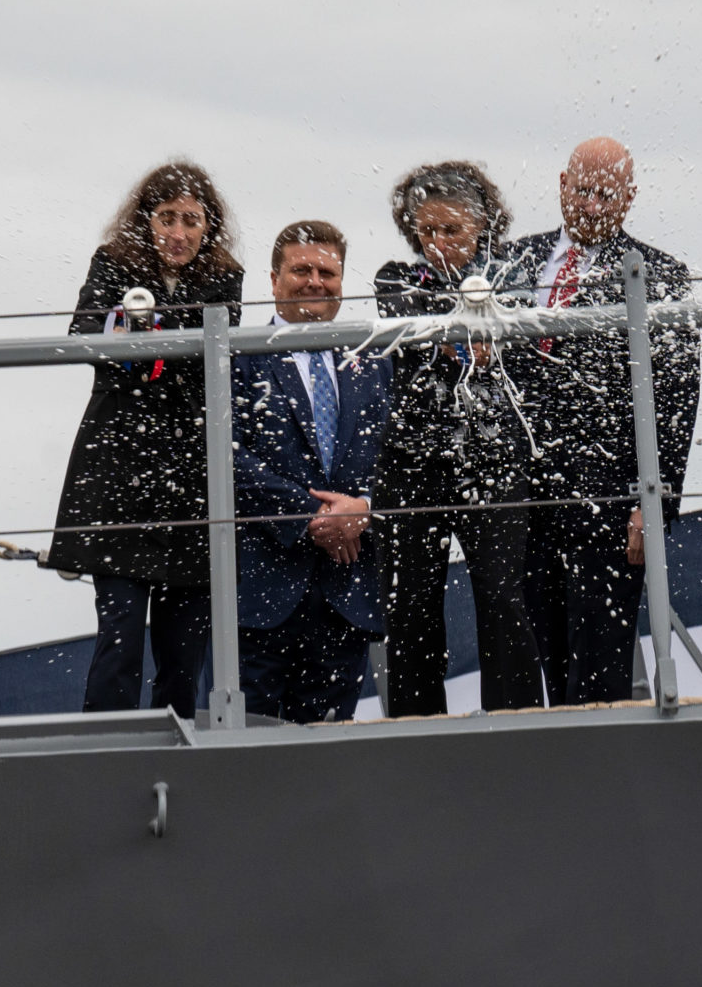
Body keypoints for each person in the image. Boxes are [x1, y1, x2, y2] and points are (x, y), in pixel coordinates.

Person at [495, 138, 698, 706]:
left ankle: (597, 781)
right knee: (538, 656)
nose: (591, 206)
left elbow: (677, 400)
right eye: (582, 191)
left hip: (611, 501)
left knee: (602, 667)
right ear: (562, 184)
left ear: (629, 197)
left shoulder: (661, 274)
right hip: (523, 500)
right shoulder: (506, 262)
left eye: (606, 194)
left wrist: (654, 501)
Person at [42, 162, 246, 717]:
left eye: (191, 220)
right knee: (120, 640)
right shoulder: (112, 262)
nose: (178, 233)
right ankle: (105, 758)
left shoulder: (225, 274)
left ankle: (178, 766)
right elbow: (86, 338)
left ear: (209, 227)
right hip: (119, 476)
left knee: (185, 655)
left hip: (191, 483)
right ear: (145, 220)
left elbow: (213, 360)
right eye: (166, 218)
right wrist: (147, 347)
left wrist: (145, 343)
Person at [373, 161, 544, 717]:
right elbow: (401, 309)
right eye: (429, 231)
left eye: (453, 230)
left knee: (500, 597)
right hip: (412, 464)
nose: (440, 243)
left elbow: (516, 314)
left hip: (492, 459)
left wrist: (485, 328)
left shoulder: (515, 273)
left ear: (483, 224)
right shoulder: (397, 276)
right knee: (413, 605)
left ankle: (517, 725)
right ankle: (415, 732)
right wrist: (452, 329)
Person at [232, 222, 388, 723]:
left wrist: (364, 507)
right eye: (301, 270)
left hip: (348, 593)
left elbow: (399, 457)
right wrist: (312, 516)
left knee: (329, 768)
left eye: (328, 272)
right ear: (274, 280)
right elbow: (226, 457)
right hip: (261, 597)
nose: (315, 281)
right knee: (251, 761)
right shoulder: (238, 356)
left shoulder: (375, 359)